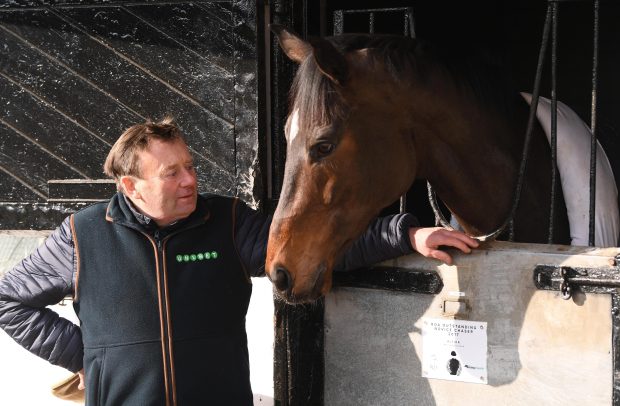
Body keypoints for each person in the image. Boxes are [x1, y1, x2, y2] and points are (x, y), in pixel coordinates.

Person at [0, 118, 478, 405]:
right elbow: (9, 299)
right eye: (172, 173)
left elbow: (307, 247)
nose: (190, 179)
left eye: (191, 166)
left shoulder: (226, 220)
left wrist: (405, 233)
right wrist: (85, 356)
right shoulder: (82, 236)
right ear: (131, 185)